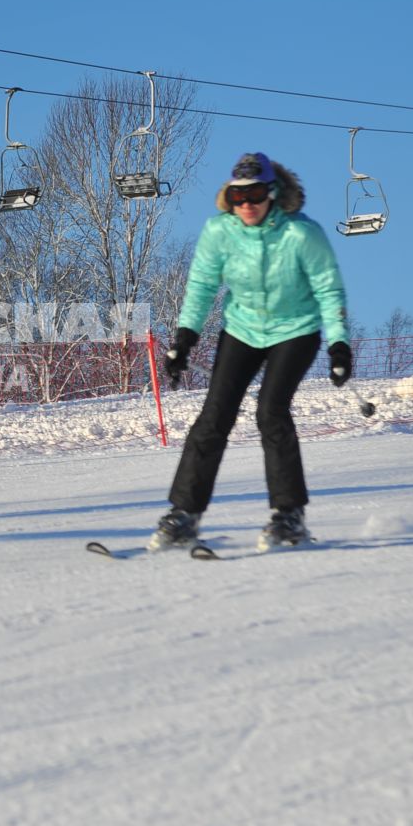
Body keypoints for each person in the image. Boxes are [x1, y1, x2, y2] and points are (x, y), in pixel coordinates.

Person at [153, 152, 352, 552]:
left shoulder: (301, 234)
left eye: (256, 194)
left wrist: (339, 343)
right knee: (214, 415)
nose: (247, 204)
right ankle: (184, 515)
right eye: (238, 196)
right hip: (242, 329)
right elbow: (202, 285)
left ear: (273, 194)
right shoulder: (219, 232)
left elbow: (329, 289)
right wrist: (184, 339)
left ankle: (288, 516)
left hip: (295, 330)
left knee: (271, 412)